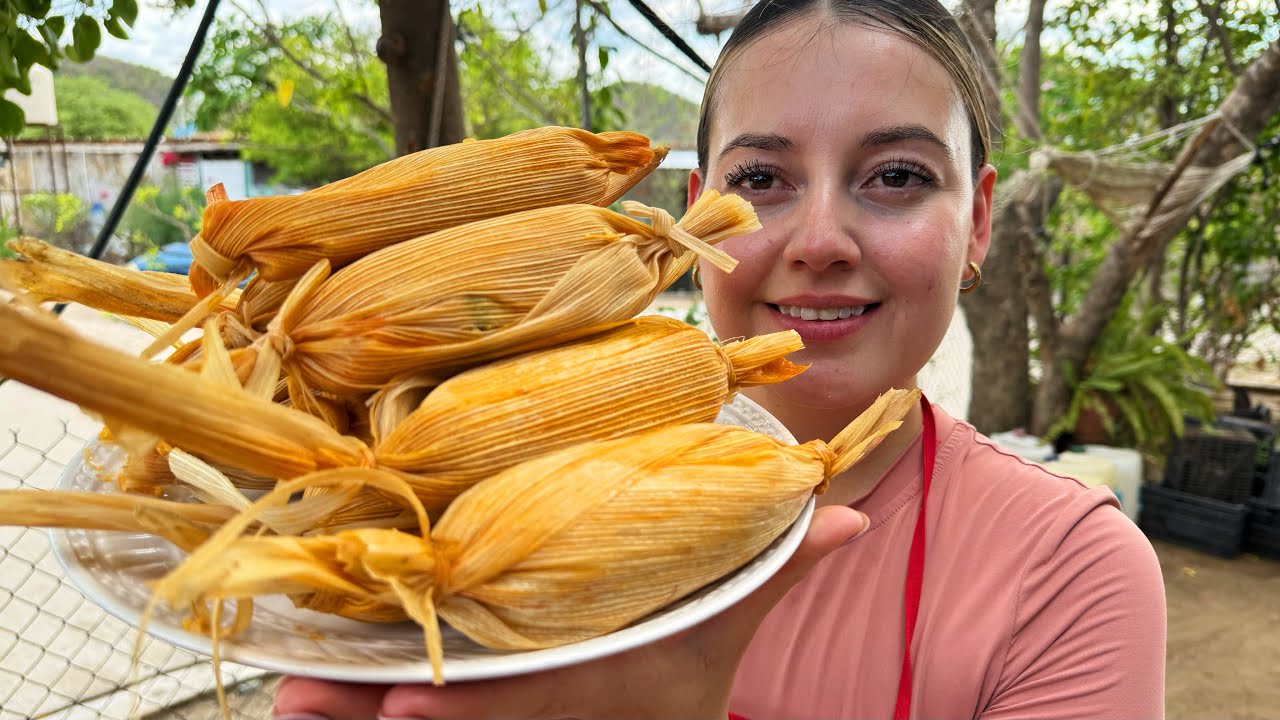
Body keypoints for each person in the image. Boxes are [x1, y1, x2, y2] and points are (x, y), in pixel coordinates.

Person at [272, 0, 1166, 717]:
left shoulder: (1068, 571)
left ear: (976, 220)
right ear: (698, 216)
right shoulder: (446, 474)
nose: (820, 241)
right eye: (761, 180)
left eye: (896, 175)